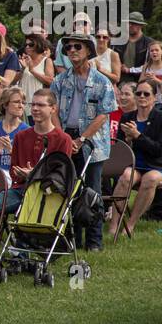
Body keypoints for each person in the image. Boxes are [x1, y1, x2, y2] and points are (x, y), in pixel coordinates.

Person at [52, 32, 117, 251]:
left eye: (77, 47)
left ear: (88, 50)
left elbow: (103, 115)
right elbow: (52, 110)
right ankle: (71, 239)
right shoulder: (59, 80)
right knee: (66, 189)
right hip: (65, 136)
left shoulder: (102, 81)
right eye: (68, 47)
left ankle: (93, 241)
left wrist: (81, 139)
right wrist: (62, 137)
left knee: (92, 192)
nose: (72, 51)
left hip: (92, 143)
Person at [0, 88, 75, 218]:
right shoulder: (21, 136)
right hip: (20, 190)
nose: (35, 108)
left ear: (53, 109)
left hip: (48, 194)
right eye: (33, 104)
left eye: (41, 105)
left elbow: (62, 177)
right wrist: (23, 175)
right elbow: (14, 170)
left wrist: (34, 175)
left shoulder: (63, 139)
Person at [110, 79, 162, 237]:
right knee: (126, 176)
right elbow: (120, 147)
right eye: (138, 93)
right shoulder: (127, 117)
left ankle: (130, 225)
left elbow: (160, 149)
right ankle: (114, 225)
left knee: (150, 179)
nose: (142, 96)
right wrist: (127, 141)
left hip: (160, 165)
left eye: (146, 93)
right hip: (135, 164)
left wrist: (137, 136)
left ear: (155, 97)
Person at [16, 29, 56, 103]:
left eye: (31, 45)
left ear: (38, 45)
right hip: (23, 104)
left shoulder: (46, 61)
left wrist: (32, 71)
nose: (27, 47)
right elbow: (13, 82)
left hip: (39, 103)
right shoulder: (23, 60)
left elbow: (51, 81)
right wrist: (22, 69)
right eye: (26, 45)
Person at [120, 11, 151, 75]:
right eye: (128, 23)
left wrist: (130, 70)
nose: (130, 25)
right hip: (119, 79)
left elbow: (151, 66)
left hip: (140, 80)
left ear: (141, 25)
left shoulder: (149, 43)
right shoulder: (118, 42)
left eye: (133, 23)